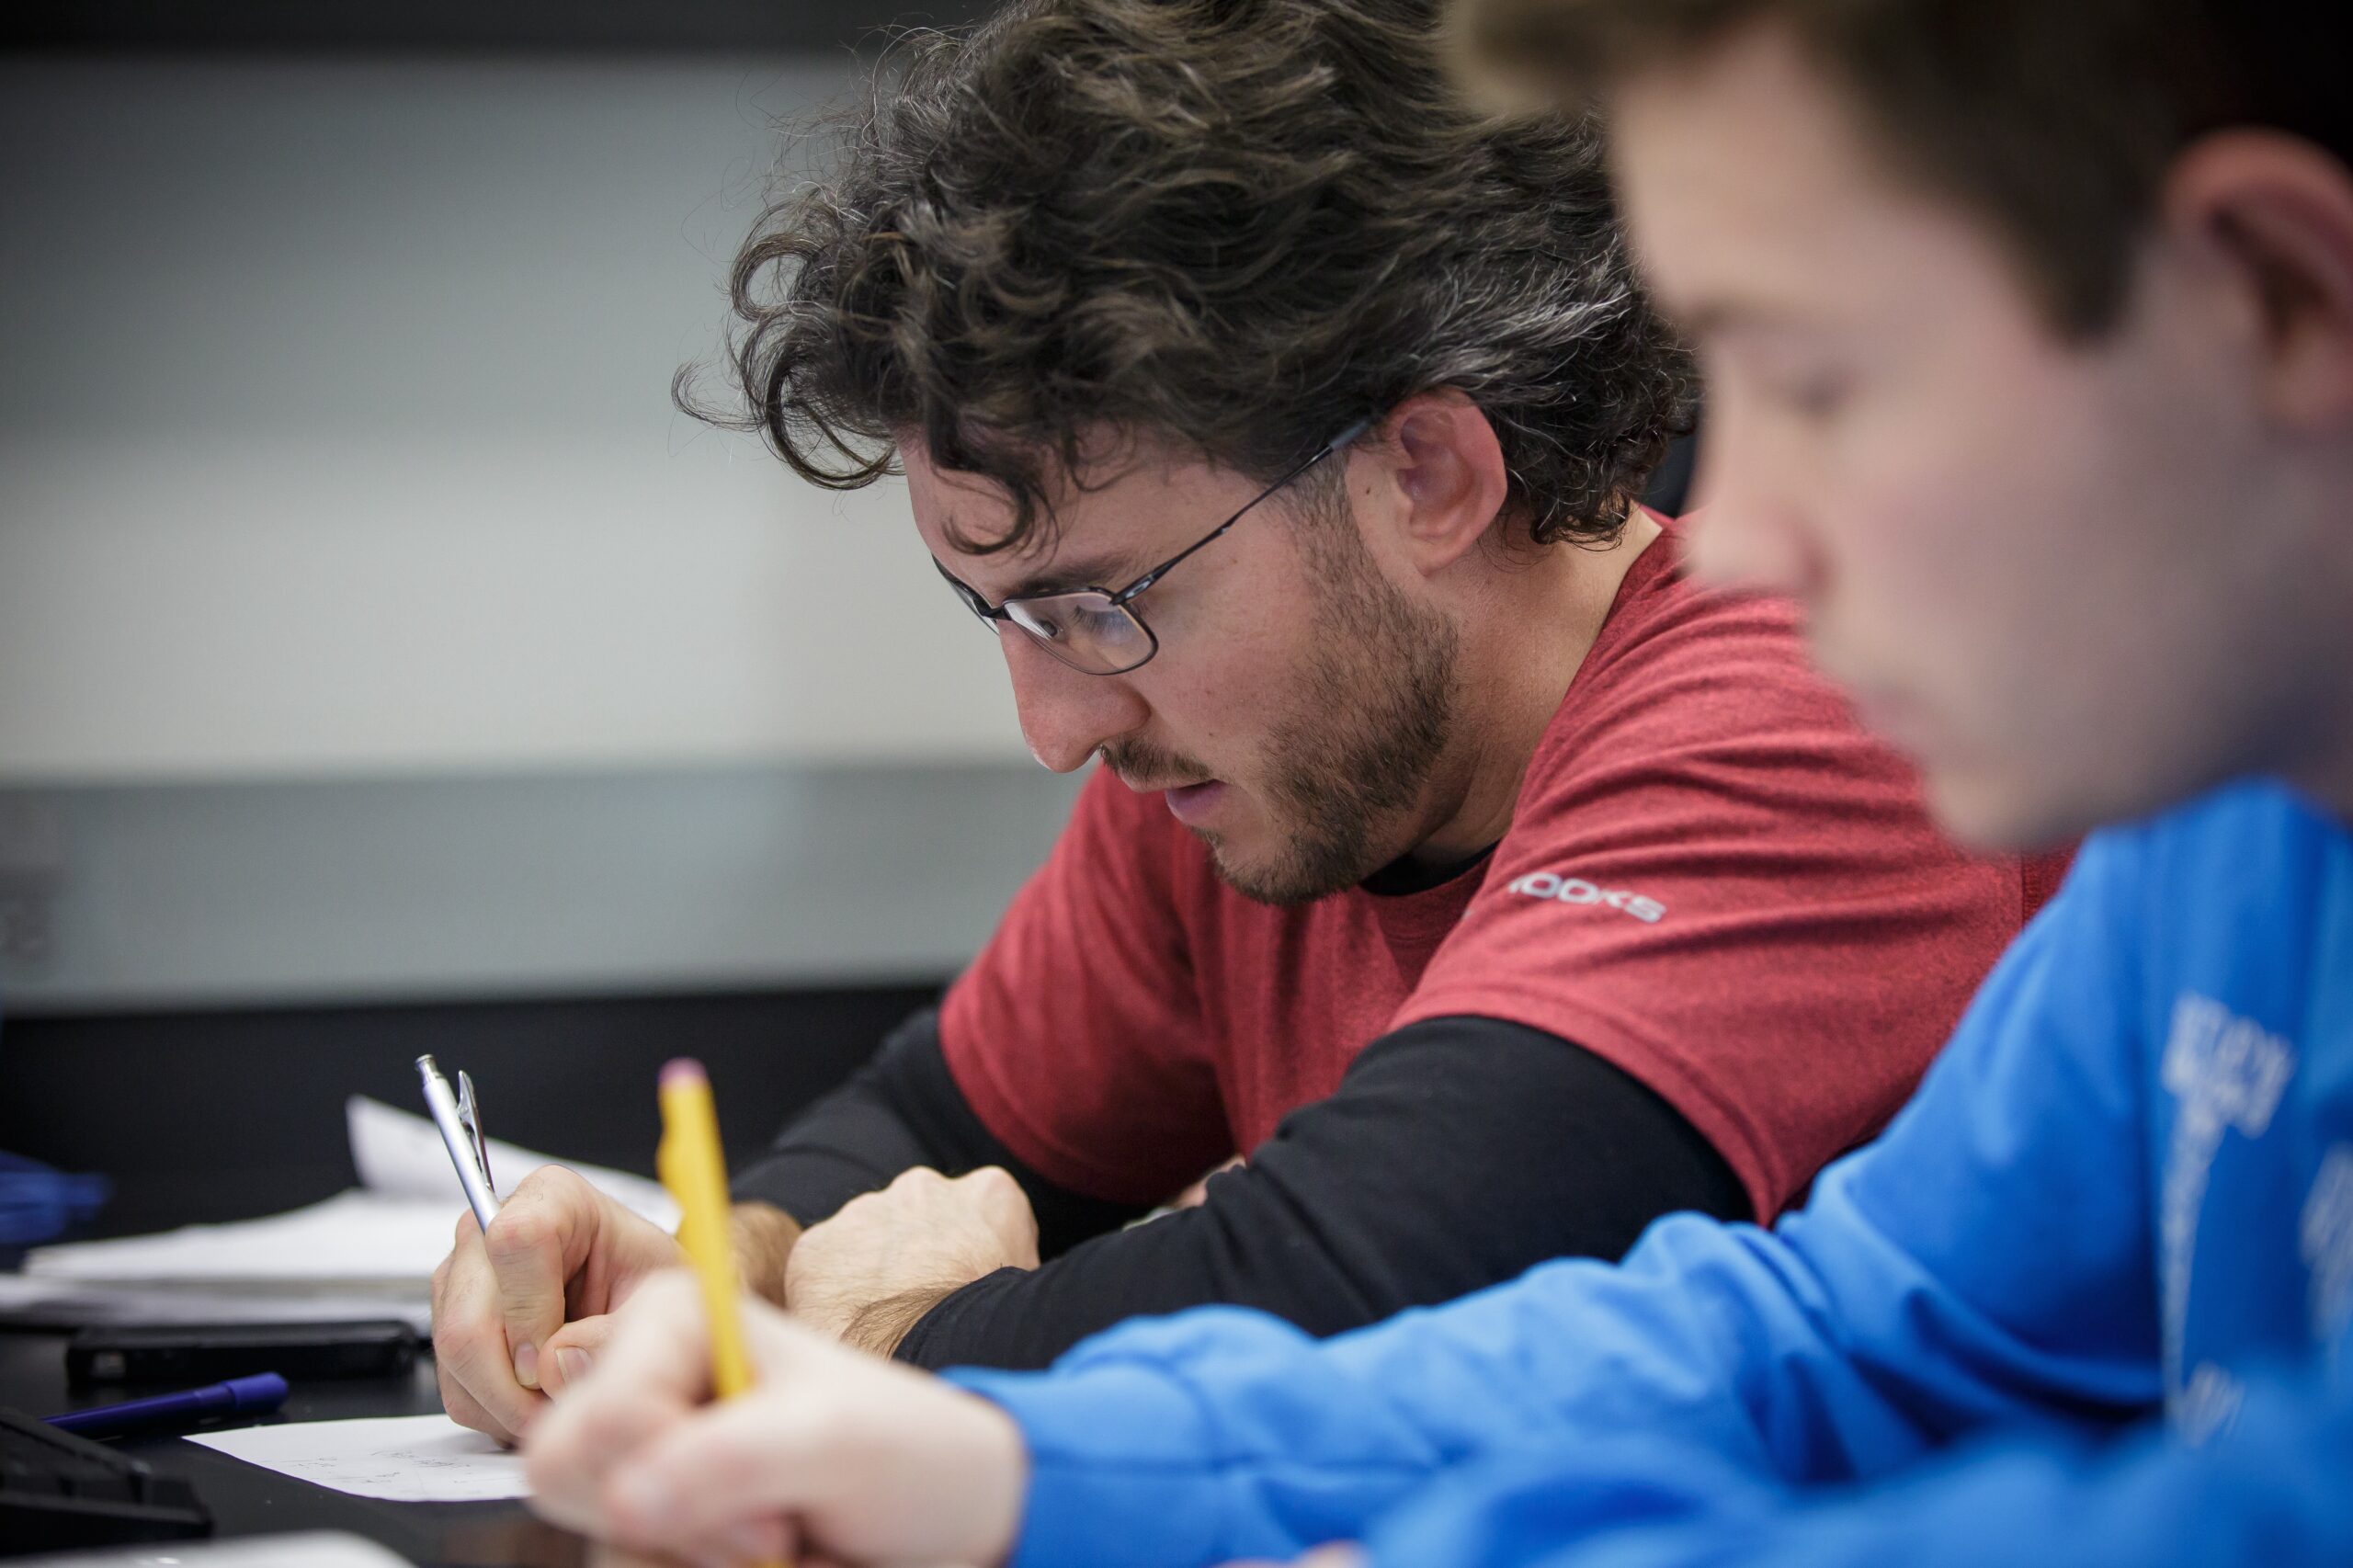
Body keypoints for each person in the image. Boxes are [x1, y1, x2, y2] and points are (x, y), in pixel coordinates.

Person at [516, 0, 2353, 1563]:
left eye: (1821, 380)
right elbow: (1837, 1341)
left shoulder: (1819, 708)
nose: (1749, 529)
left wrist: (906, 1347)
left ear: (2274, 302)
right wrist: (1006, 1455)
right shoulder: (2216, 833)